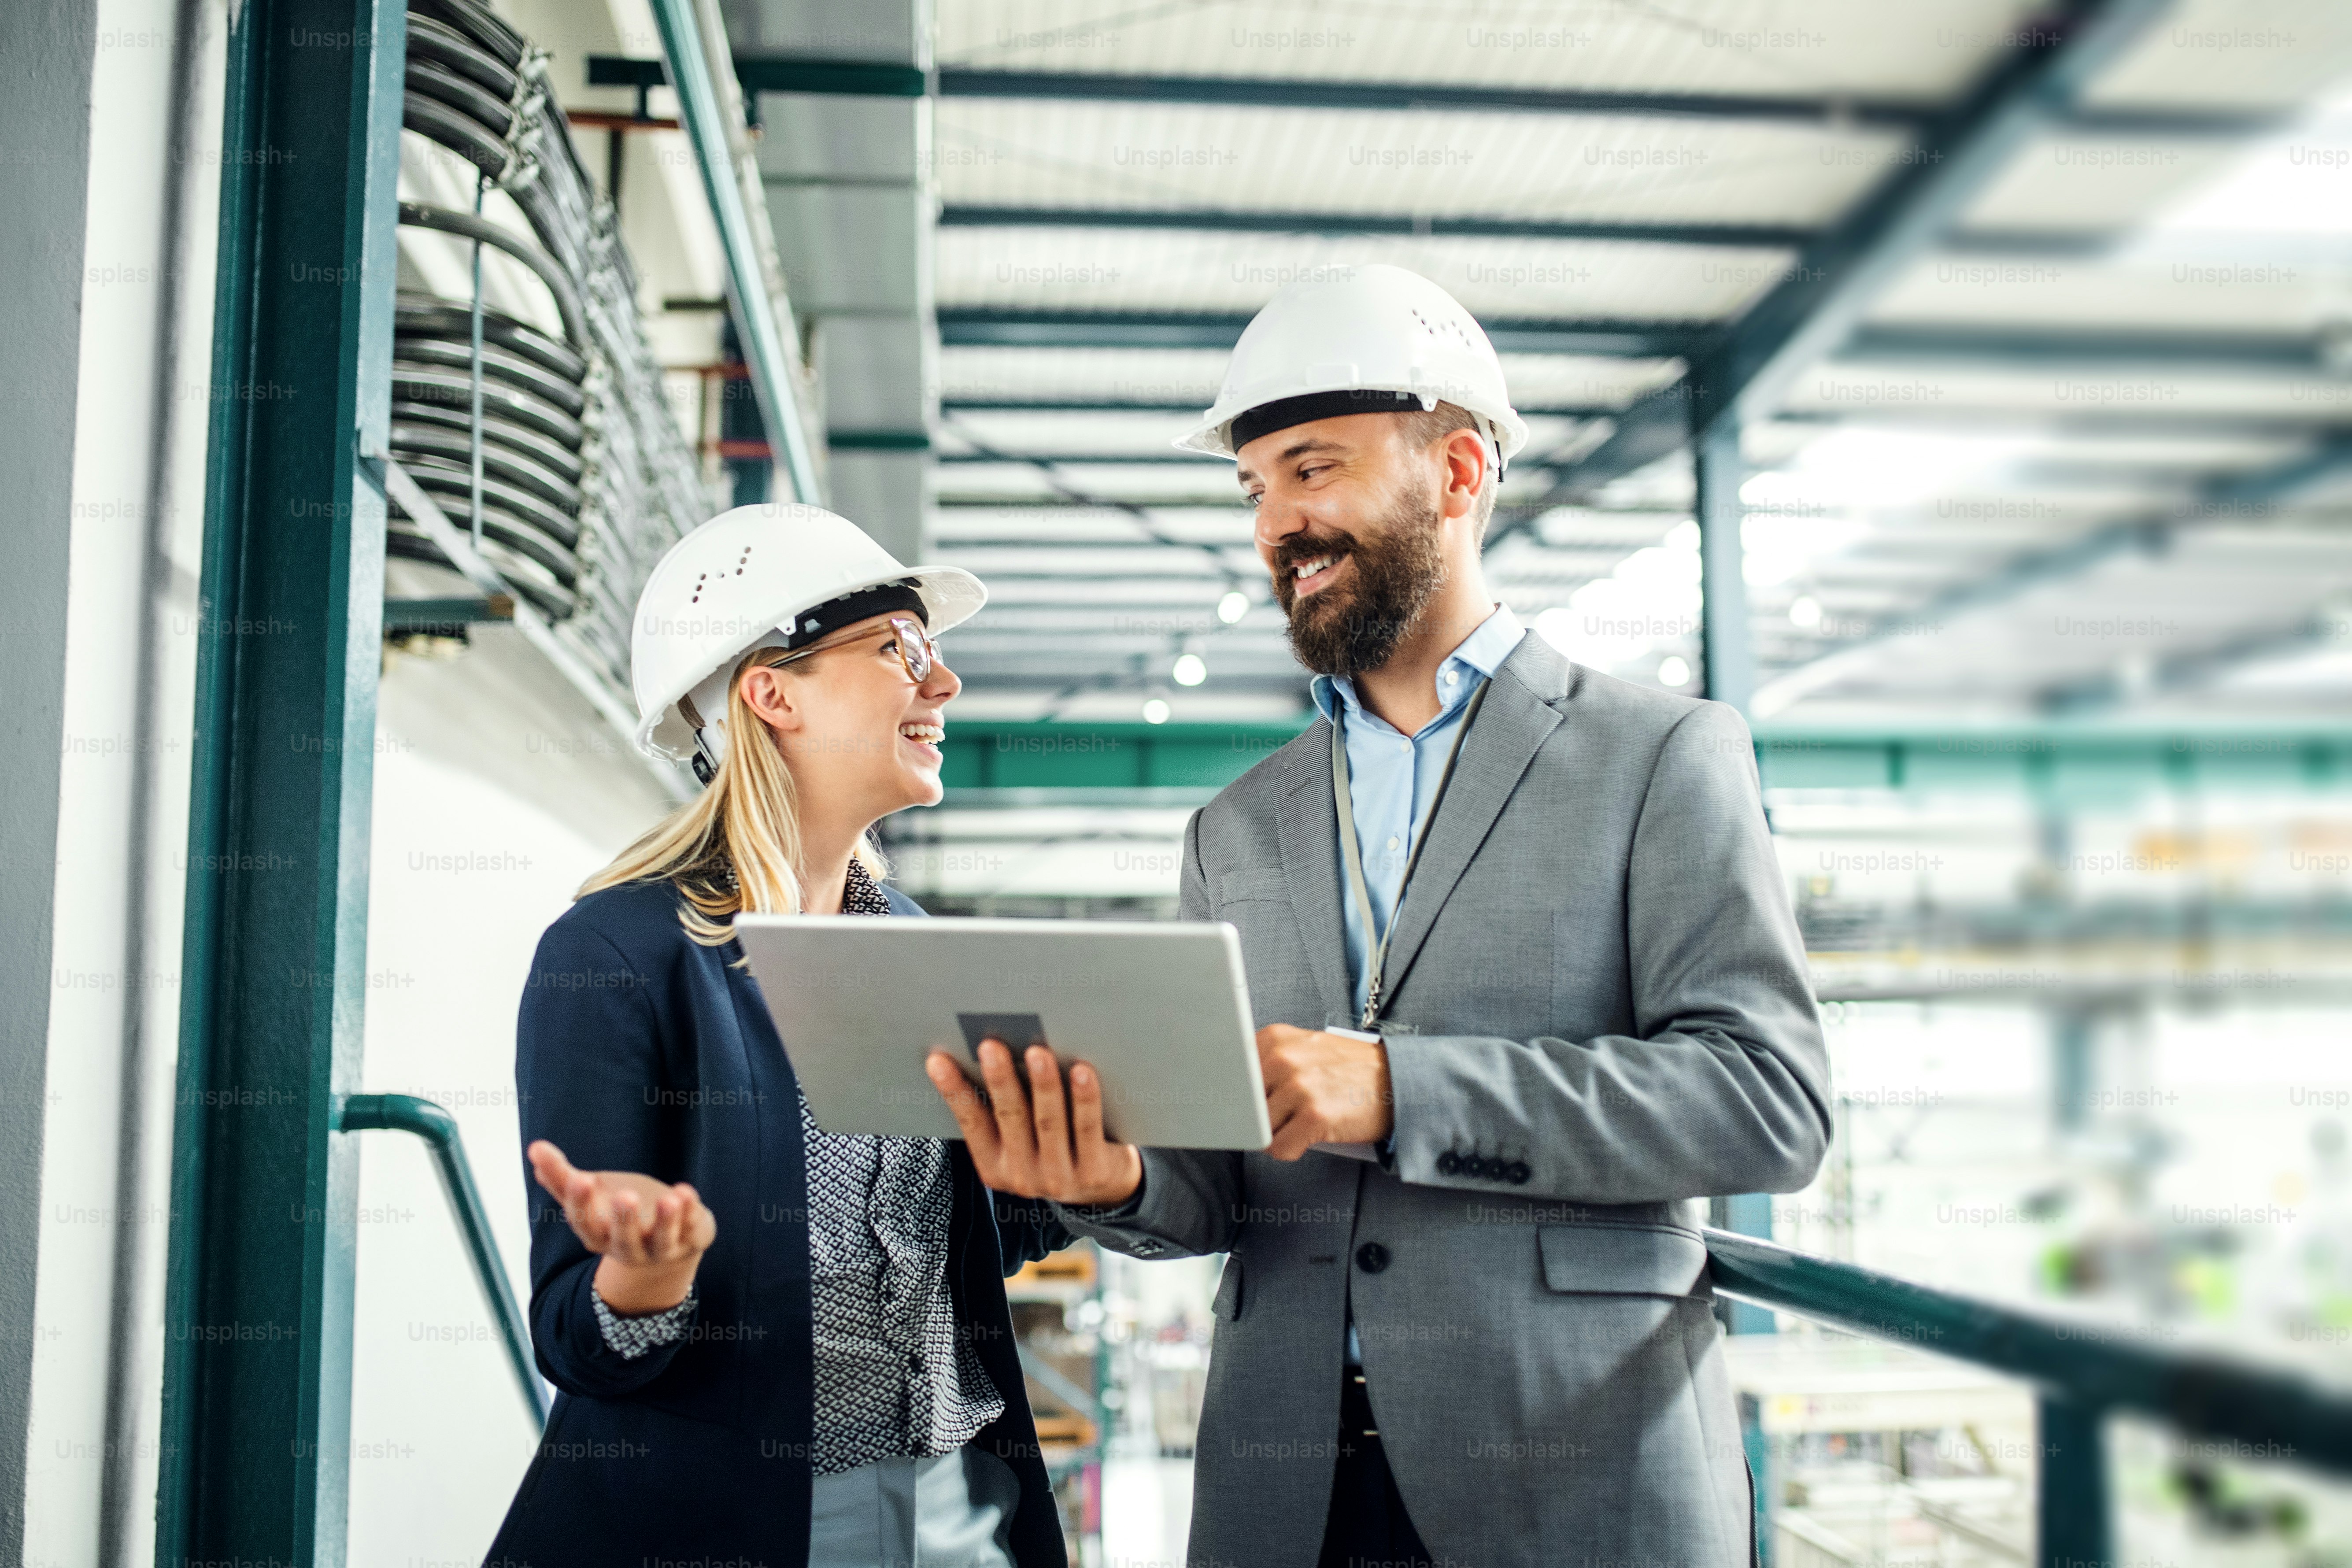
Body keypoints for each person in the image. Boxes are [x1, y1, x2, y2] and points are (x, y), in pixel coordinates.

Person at [930, 265, 1832, 1568]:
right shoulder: (1236, 827)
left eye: (1311, 470)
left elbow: (1766, 1103)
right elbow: (1208, 1188)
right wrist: (1113, 1180)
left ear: (1457, 473)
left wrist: (1403, 1091)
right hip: (1284, 1487)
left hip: (1570, 1465)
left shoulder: (1661, 758)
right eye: (1254, 490)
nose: (1274, 526)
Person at [488, 503, 1073, 1568]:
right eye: (900, 648)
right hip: (741, 1521)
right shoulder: (619, 954)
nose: (942, 685)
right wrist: (645, 1280)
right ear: (771, 692)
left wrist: (1087, 1162)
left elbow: (970, 1237)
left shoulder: (907, 941)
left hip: (957, 1508)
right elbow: (577, 1335)